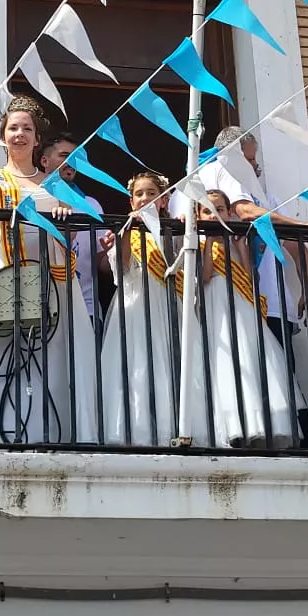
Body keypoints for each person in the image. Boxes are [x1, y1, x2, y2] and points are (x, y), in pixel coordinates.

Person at [0, 95, 100, 444]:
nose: (20, 134)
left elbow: (74, 230)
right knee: (4, 354)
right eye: (13, 128)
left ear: (37, 139)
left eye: (27, 129)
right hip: (6, 272)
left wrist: (65, 217)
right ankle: (5, 429)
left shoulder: (56, 185)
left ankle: (53, 432)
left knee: (52, 356)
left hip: (53, 277)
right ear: (2, 137)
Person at [178, 126, 308, 446]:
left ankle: (292, 446)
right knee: (240, 374)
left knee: (278, 377)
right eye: (250, 159)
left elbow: (297, 247)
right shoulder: (216, 174)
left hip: (270, 302)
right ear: (231, 155)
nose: (255, 167)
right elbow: (244, 212)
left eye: (255, 161)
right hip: (231, 303)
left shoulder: (262, 193)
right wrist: (305, 225)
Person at [97, 171, 181, 445]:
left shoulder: (174, 230)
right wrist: (127, 230)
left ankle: (173, 428)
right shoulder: (124, 232)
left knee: (169, 364)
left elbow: (177, 262)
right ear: (131, 202)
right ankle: (138, 430)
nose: (145, 198)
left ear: (164, 200)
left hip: (167, 305)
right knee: (137, 366)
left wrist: (177, 229)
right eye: (139, 194)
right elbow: (120, 267)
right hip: (135, 306)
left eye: (151, 193)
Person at [38, 134, 103, 321]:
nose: (71, 162)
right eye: (64, 156)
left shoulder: (91, 204)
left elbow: (103, 265)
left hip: (87, 308)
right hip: (43, 307)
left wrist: (117, 249)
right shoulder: (33, 199)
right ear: (44, 160)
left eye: (75, 157)